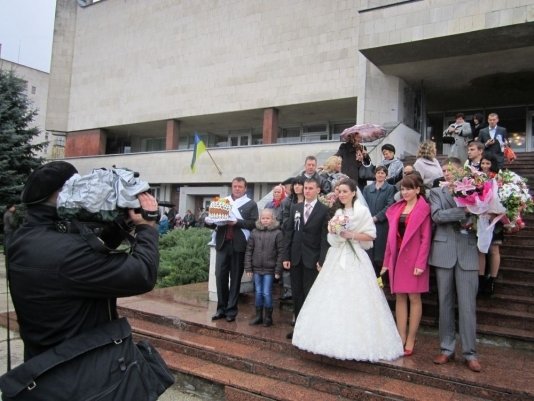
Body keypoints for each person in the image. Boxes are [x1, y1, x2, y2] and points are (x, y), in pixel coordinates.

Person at [7, 161, 160, 361]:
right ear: (62, 194)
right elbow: (142, 274)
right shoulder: (68, 253)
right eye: (78, 186)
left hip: (44, 360)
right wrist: (147, 227)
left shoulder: (23, 239)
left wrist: (120, 226)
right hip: (79, 368)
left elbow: (86, 260)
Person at [291, 178, 404, 361]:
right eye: (339, 191)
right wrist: (334, 232)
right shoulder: (338, 212)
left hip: (354, 255)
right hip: (337, 255)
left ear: (353, 193)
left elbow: (371, 235)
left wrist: (350, 234)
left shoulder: (362, 211)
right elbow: (331, 238)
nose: (341, 195)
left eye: (345, 191)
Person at [428, 157, 482, 372]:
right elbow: (437, 216)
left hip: (468, 251)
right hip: (444, 250)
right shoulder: (436, 192)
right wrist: (466, 210)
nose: (447, 173)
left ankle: (470, 353)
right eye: (444, 170)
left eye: (451, 170)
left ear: (461, 171)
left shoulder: (475, 189)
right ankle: (446, 348)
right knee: (445, 303)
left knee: (468, 305)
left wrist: (478, 208)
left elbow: (483, 216)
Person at [382, 174, 432, 357]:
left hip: (414, 259)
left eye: (409, 188)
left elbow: (426, 238)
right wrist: (386, 262)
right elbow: (390, 239)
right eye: (403, 189)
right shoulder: (397, 208)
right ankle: (400, 336)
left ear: (417, 190)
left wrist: (421, 263)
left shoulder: (423, 209)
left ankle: (411, 338)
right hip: (397, 258)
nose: (405, 192)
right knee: (400, 297)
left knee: (414, 297)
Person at [205, 177, 258, 322]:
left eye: (240, 186)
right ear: (232, 187)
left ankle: (231, 311)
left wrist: (237, 222)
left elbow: (253, 224)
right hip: (223, 243)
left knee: (235, 279)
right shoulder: (223, 202)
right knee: (220, 276)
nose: (237, 189)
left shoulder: (251, 204)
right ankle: (221, 309)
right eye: (235, 186)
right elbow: (216, 222)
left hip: (239, 245)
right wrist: (208, 221)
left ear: (245, 188)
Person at [283, 177, 329, 339]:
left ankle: (310, 329)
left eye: (310, 188)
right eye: (306, 188)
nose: (307, 191)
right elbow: (289, 232)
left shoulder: (324, 210)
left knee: (310, 294)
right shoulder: (295, 208)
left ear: (318, 190)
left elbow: (324, 238)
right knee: (297, 294)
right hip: (296, 257)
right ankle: (298, 327)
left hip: (312, 258)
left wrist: (321, 260)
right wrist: (286, 256)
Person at [244, 208, 284, 327]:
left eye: (268, 218)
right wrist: (248, 268)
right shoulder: (254, 232)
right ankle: (258, 316)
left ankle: (268, 317)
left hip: (269, 270)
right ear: (260, 219)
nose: (265, 220)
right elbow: (249, 250)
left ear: (273, 219)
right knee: (258, 292)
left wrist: (278, 270)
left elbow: (281, 253)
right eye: (263, 218)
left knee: (266, 292)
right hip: (256, 269)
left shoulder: (278, 233)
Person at [362, 165, 396, 275]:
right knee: (368, 252)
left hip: (382, 225)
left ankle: (381, 278)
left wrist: (377, 217)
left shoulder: (390, 188)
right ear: (375, 174)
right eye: (378, 173)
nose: (380, 175)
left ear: (386, 175)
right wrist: (367, 218)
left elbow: (390, 206)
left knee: (380, 254)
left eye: (382, 173)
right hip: (368, 223)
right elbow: (363, 204)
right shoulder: (367, 189)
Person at [478, 153, 503, 296]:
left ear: (493, 164)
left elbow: (503, 198)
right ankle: (481, 279)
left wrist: (497, 212)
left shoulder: (499, 178)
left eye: (488, 163)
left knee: (494, 249)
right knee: (480, 249)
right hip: (481, 217)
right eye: (483, 163)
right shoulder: (476, 178)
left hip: (495, 219)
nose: (485, 166)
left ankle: (492, 280)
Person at [279, 176, 304, 301]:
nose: (297, 187)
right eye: (295, 184)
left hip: (305, 240)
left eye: (300, 184)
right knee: (289, 267)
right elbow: (283, 221)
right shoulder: (287, 202)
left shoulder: (310, 201)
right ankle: (288, 290)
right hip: (291, 236)